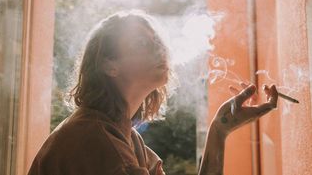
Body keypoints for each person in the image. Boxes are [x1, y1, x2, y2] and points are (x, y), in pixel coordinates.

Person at [28, 10, 278, 175]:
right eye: (141, 44)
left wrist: (219, 131)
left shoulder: (125, 137)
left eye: (157, 42)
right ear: (108, 64)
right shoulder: (98, 141)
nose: (159, 50)